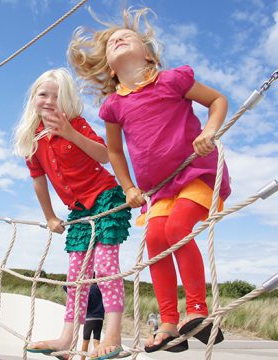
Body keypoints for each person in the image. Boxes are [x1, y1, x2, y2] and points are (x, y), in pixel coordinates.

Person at [68, 7, 230, 353]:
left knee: (176, 230)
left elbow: (217, 100)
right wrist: (128, 187)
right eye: (111, 43)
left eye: (126, 37)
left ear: (147, 52)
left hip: (195, 171)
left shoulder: (173, 80)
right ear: (111, 68)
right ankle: (169, 323)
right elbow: (114, 152)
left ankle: (198, 310)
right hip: (158, 191)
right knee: (156, 241)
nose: (117, 39)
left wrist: (210, 132)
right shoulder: (114, 106)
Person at [13, 68, 132, 360]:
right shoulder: (33, 140)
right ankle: (66, 337)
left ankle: (113, 334)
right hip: (77, 211)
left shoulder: (76, 123)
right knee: (76, 277)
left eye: (57, 96)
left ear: (66, 100)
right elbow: (39, 181)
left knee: (104, 268)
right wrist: (51, 216)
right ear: (33, 98)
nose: (50, 100)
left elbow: (105, 155)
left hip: (104, 199)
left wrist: (69, 133)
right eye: (44, 94)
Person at [81, 283, 105, 360]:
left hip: (89, 318)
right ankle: (98, 358)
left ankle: (82, 359)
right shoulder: (101, 288)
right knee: (96, 341)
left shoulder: (88, 288)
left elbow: (65, 287)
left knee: (85, 341)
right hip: (100, 318)